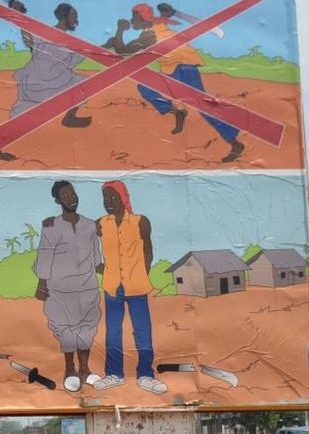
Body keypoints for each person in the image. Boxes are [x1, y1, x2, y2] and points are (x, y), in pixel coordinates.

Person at [106, 3, 245, 163]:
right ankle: (177, 111)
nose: (132, 21)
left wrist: (120, 30)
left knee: (202, 106)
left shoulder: (149, 35)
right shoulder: (153, 27)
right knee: (145, 87)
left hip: (185, 67)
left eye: (134, 17)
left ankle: (235, 143)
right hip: (171, 69)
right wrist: (173, 13)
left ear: (142, 18)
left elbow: (124, 50)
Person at [92, 181, 167, 395]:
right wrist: (100, 268)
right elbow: (80, 238)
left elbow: (148, 252)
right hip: (112, 286)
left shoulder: (140, 222)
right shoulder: (100, 224)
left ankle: (146, 374)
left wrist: (140, 274)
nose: (109, 202)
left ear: (124, 198)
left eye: (113, 197)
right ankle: (114, 374)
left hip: (136, 285)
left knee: (142, 331)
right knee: (113, 331)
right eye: (105, 198)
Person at [0, 3, 92, 161]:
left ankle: (70, 116)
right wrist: (17, 14)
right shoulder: (44, 33)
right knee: (19, 119)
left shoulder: (71, 41)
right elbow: (28, 38)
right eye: (73, 16)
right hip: (37, 86)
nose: (76, 20)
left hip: (56, 84)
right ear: (64, 17)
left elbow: (72, 61)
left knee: (84, 83)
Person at [35, 181, 103, 392]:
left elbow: (96, 256)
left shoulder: (90, 225)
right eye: (65, 194)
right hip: (60, 289)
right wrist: (42, 283)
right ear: (58, 200)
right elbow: (45, 254)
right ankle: (70, 368)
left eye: (72, 193)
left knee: (86, 329)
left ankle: (85, 369)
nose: (71, 197)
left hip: (87, 286)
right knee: (65, 331)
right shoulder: (51, 226)